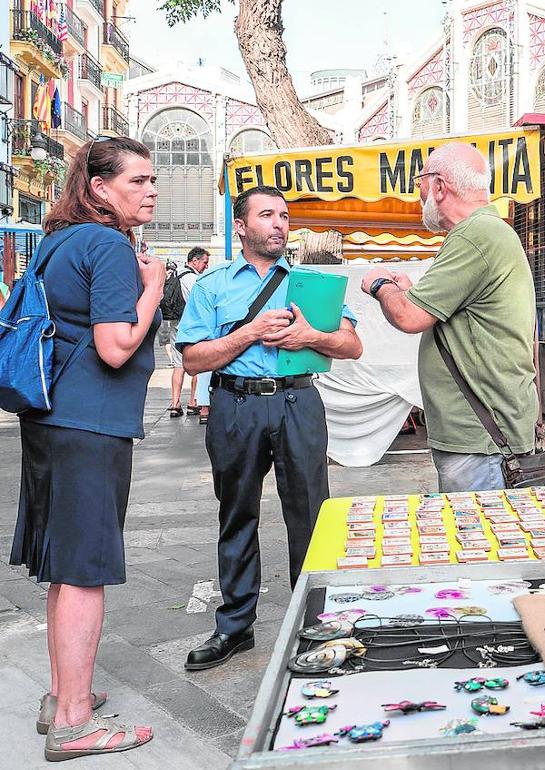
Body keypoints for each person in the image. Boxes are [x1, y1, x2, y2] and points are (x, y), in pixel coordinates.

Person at [9, 136, 160, 759]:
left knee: (62, 565)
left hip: (50, 418)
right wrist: (152, 286)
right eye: (139, 182)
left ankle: (60, 696)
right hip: (89, 423)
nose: (151, 192)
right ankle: (74, 721)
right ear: (100, 188)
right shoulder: (109, 245)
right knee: (84, 571)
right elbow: (115, 346)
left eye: (153, 182)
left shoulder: (58, 242)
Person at [177, 185, 362, 670]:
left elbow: (350, 345)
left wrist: (312, 335)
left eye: (284, 215)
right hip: (234, 405)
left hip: (299, 401)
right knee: (237, 513)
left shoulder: (308, 284)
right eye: (267, 215)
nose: (279, 223)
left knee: (310, 515)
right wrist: (249, 333)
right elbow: (194, 360)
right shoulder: (212, 286)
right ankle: (235, 627)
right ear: (241, 227)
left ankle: (315, 623)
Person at [361, 143, 538, 493]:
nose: (419, 195)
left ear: (440, 186)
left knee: (477, 543)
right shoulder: (485, 232)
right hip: (483, 434)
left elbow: (409, 316)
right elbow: (449, 311)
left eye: (420, 183)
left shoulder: (476, 235)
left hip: (480, 439)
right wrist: (409, 289)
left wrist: (379, 284)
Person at [163, 246, 210, 417]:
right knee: (196, 363)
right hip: (191, 327)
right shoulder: (194, 280)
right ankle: (193, 402)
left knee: (178, 365)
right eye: (204, 262)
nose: (206, 266)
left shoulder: (174, 274)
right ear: (195, 261)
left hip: (175, 323)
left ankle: (175, 404)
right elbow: (200, 305)